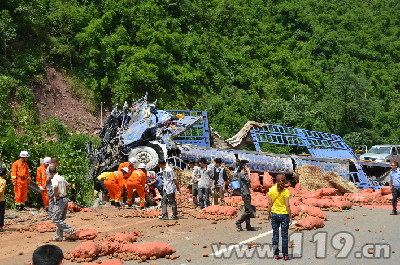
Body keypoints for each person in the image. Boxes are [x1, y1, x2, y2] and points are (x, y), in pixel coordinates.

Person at [267, 174, 291, 260]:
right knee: (284, 235)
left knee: (275, 234)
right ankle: (285, 255)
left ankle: (276, 253)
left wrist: (269, 213)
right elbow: (287, 205)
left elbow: (269, 203)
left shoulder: (271, 190)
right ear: (284, 181)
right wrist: (290, 216)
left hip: (274, 214)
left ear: (275, 181)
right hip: (284, 215)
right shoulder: (286, 191)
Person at [49, 166, 74, 241]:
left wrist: (56, 195)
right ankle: (58, 237)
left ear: (50, 173)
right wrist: (63, 191)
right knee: (60, 219)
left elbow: (56, 186)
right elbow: (67, 185)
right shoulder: (61, 177)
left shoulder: (54, 179)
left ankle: (69, 229)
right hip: (65, 198)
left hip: (60, 199)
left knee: (55, 219)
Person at [235, 160, 256, 231]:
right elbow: (249, 181)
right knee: (249, 211)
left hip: (246, 193)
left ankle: (248, 226)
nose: (248, 167)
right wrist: (249, 173)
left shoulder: (242, 174)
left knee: (247, 210)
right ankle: (239, 222)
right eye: (246, 165)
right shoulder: (241, 174)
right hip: (245, 193)